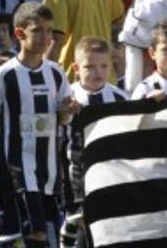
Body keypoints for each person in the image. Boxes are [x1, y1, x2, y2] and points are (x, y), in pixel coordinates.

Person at [0, 2, 78, 248]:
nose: (45, 37)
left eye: (49, 31)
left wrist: (67, 111)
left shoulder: (56, 73)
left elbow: (63, 118)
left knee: (27, 233)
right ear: (19, 33)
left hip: (48, 167)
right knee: (37, 231)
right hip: (16, 166)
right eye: (37, 30)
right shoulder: (5, 74)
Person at [60, 37, 129, 247]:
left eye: (103, 66)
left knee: (108, 223)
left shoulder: (120, 98)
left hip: (111, 170)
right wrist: (65, 112)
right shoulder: (67, 96)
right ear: (76, 68)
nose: (98, 72)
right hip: (76, 171)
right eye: (89, 66)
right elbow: (58, 130)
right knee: (77, 222)